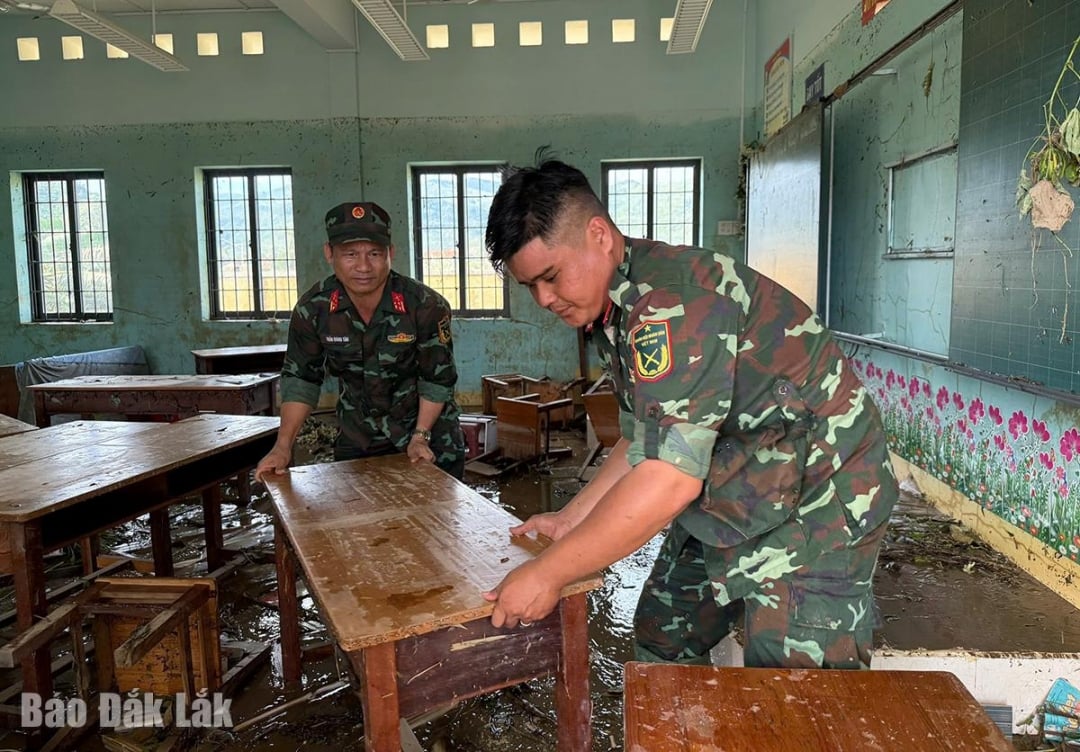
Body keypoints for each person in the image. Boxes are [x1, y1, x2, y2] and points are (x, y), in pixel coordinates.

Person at [481, 158, 898, 669]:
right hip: (744, 480)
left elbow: (669, 479)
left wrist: (549, 573)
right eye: (530, 287)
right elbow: (642, 441)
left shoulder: (671, 305)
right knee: (664, 637)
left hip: (820, 496)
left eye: (550, 276)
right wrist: (572, 520)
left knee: (796, 686)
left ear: (599, 236)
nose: (544, 299)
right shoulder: (616, 306)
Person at [255, 201, 465, 482]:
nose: (364, 266)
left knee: (437, 519)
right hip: (359, 436)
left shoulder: (425, 305)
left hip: (429, 435)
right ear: (329, 253)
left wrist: (420, 435)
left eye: (374, 253)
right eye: (350, 254)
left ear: (390, 253)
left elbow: (437, 379)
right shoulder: (313, 309)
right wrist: (282, 447)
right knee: (357, 520)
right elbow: (301, 380)